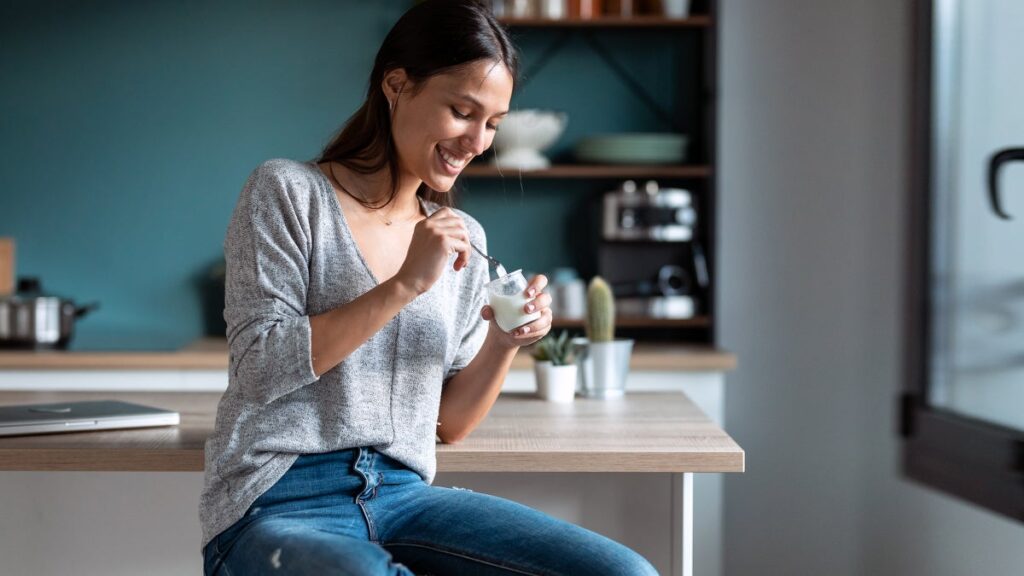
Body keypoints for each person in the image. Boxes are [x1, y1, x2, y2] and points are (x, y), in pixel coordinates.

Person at [199, 1, 657, 574]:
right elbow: (259, 368)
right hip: (279, 501)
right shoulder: (287, 192)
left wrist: (504, 344)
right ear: (397, 85)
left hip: (402, 495)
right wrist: (405, 284)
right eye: (463, 111)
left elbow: (449, 425)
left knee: (625, 573)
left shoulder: (463, 236)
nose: (478, 142)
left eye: (493, 123)